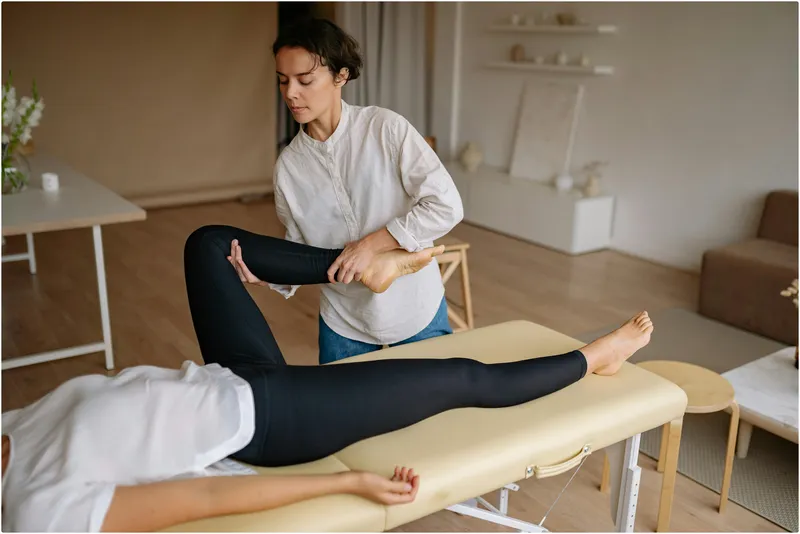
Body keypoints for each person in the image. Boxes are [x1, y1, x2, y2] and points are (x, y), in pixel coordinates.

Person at [1, 226, 654, 532]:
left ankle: (372, 265)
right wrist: (349, 481)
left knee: (205, 246)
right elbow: (202, 503)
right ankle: (597, 359)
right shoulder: (37, 510)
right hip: (270, 421)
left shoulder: (10, 431)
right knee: (458, 376)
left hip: (227, 378)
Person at [261, 17, 465, 364]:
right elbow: (298, 242)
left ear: (340, 76)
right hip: (344, 322)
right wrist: (266, 271)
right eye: (283, 81)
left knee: (433, 414)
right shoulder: (289, 168)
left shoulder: (385, 128)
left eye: (305, 80)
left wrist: (371, 245)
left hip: (416, 310)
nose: (290, 93)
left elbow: (446, 206)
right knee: (346, 419)